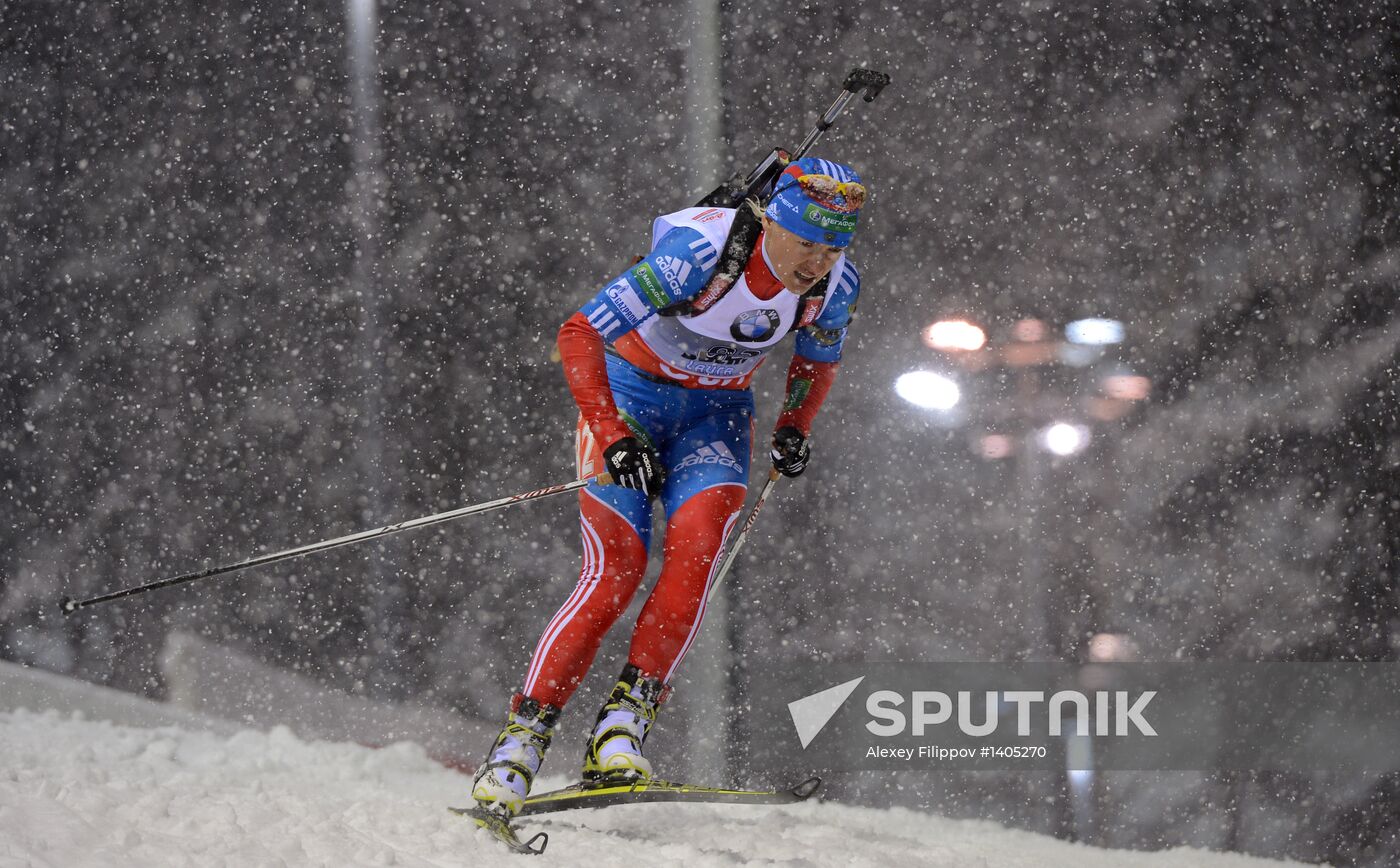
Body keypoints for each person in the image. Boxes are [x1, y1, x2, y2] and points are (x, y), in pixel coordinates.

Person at [470, 156, 866, 817]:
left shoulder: (835, 285)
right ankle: (521, 745)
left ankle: (620, 731)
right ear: (772, 223)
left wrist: (795, 427)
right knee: (616, 571)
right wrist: (613, 435)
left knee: (696, 552)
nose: (818, 262)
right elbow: (579, 332)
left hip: (714, 415)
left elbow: (817, 361)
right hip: (628, 399)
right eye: (807, 243)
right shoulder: (700, 254)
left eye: (833, 248)